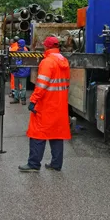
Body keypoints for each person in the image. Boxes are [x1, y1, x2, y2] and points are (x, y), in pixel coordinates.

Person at [19, 36, 70, 172]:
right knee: (57, 134)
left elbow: (41, 85)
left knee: (37, 132)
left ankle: (34, 164)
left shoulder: (47, 62)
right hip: (59, 104)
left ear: (47, 47)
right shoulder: (64, 61)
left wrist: (33, 100)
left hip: (46, 104)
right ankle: (56, 164)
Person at [10, 39, 30, 105]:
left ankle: (19, 99)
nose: (18, 45)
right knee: (20, 87)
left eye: (19, 44)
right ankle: (20, 99)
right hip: (20, 72)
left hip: (20, 72)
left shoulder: (23, 52)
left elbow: (21, 61)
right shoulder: (24, 51)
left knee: (20, 87)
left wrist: (16, 65)